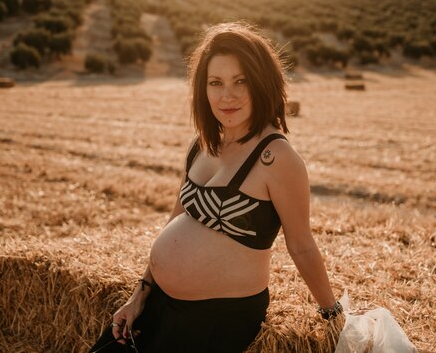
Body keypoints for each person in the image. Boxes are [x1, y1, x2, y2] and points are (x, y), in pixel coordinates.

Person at [89, 22, 342, 353]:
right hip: (159, 304)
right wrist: (140, 295)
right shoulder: (202, 146)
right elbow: (175, 222)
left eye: (241, 81)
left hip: (216, 319)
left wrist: (332, 316)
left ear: (261, 84)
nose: (228, 96)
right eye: (216, 83)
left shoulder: (277, 157)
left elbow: (302, 244)